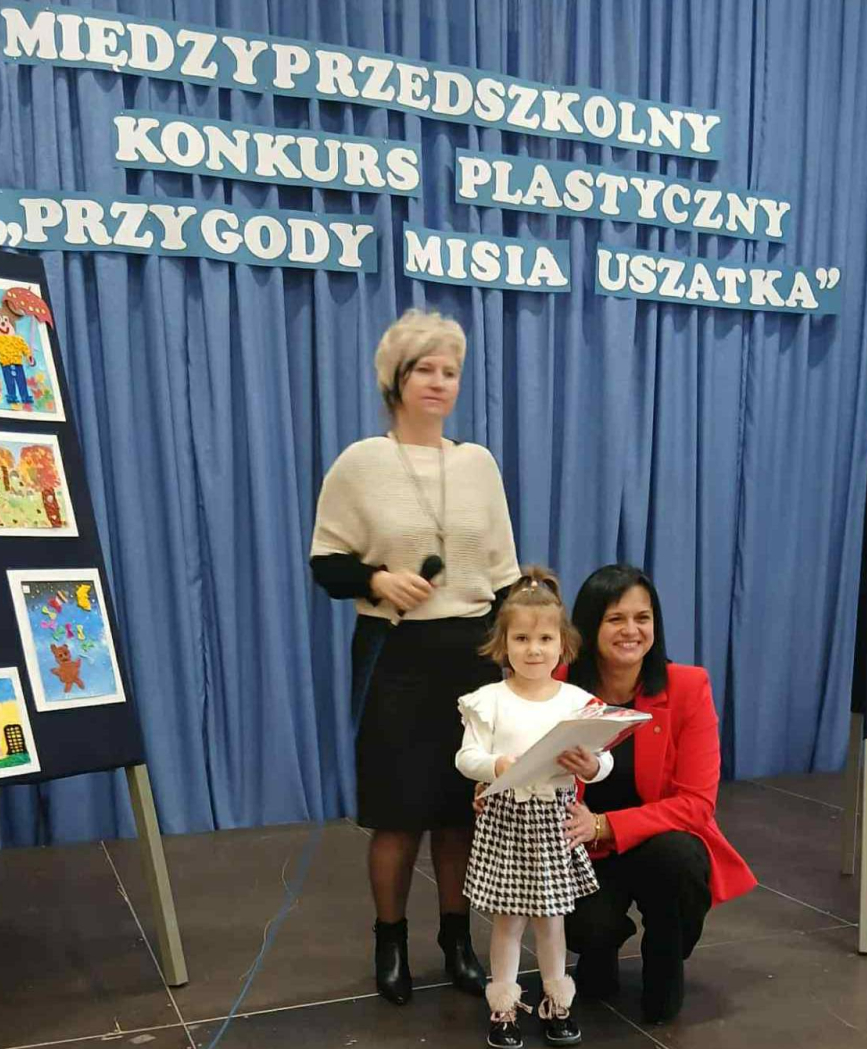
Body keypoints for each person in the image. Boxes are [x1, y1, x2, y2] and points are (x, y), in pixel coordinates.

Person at [310, 308, 520, 1006]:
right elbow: (326, 563)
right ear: (395, 380)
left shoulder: (478, 464)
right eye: (424, 369)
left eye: (449, 371)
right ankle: (390, 940)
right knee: (398, 812)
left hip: (472, 651)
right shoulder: (360, 462)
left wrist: (521, 657)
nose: (438, 381)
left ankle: (457, 941)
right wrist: (376, 579)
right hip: (395, 654)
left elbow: (504, 574)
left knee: (460, 810)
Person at [559, 564, 757, 1024]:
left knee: (679, 857)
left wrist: (605, 825)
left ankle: (664, 958)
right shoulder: (558, 683)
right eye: (615, 618)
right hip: (580, 849)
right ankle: (600, 945)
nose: (631, 630)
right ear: (589, 626)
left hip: (654, 843)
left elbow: (697, 804)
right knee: (587, 932)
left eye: (642, 618)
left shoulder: (687, 686)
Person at [457, 568, 614, 1049]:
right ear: (502, 644)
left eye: (545, 638)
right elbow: (465, 757)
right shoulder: (488, 701)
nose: (533, 649)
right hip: (507, 822)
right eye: (521, 638)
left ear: (563, 643)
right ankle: (503, 1007)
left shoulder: (578, 701)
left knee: (552, 920)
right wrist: (496, 764)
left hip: (553, 823)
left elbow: (603, 757)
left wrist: (592, 766)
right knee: (508, 920)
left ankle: (556, 1002)